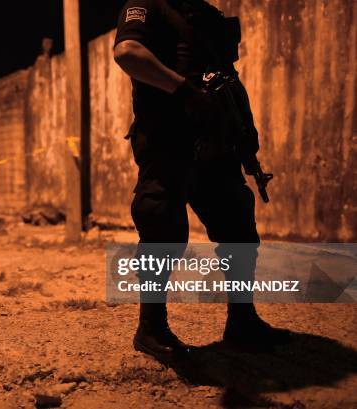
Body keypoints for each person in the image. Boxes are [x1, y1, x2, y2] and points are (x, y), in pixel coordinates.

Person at [113, 0, 289, 357]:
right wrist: (185, 91)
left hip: (215, 142)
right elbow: (128, 52)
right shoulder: (149, 4)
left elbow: (227, 78)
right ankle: (151, 330)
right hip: (167, 139)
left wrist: (244, 133)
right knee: (161, 227)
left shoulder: (207, 16)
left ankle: (242, 321)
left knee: (238, 227)